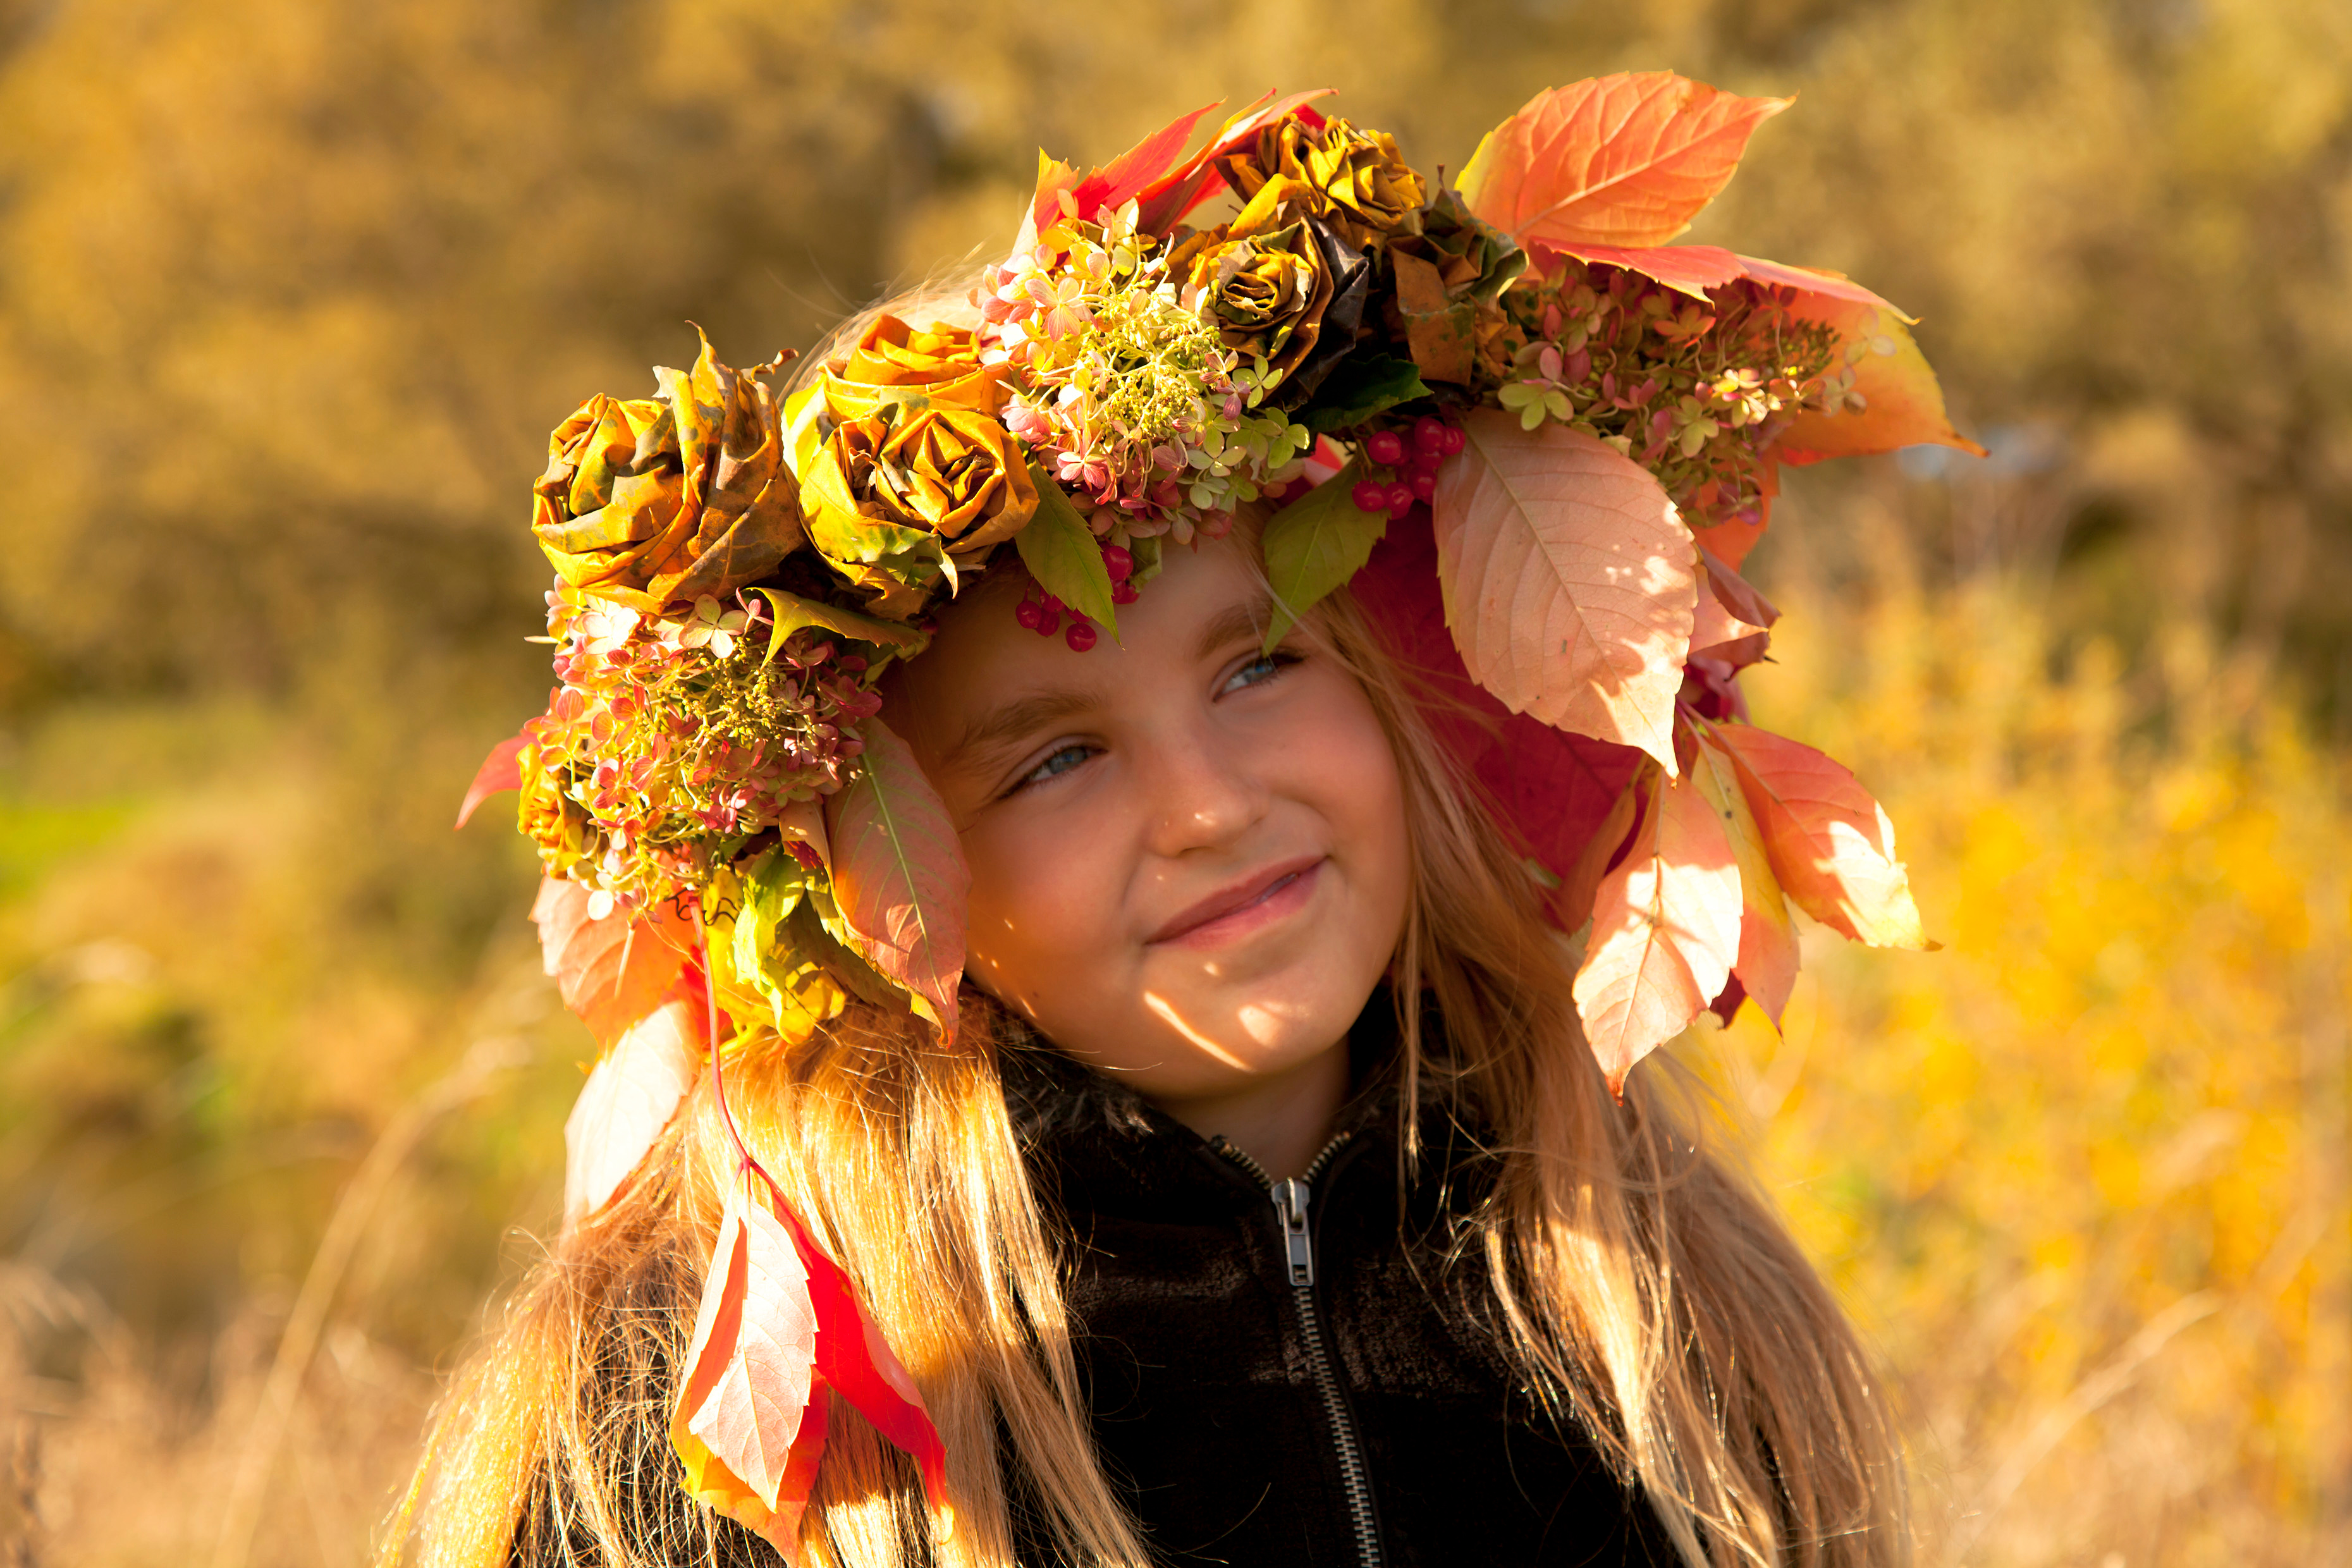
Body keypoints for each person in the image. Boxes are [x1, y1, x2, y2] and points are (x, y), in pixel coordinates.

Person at [395, 76, 1971, 1568]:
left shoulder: (1651, 1290)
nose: (1211, 804)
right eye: (1052, 763)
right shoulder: (730, 1410)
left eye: (1261, 663)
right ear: (875, 867)